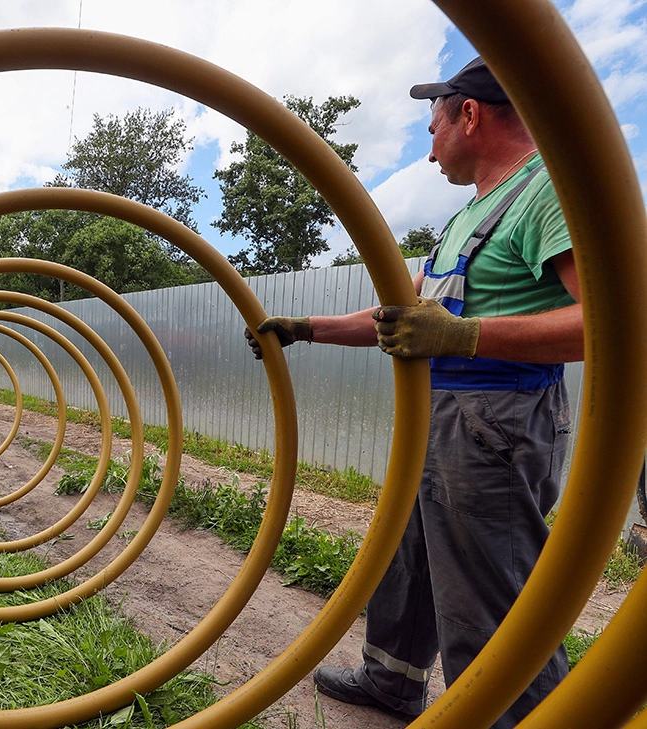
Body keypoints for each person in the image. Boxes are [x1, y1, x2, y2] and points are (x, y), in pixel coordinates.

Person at [247, 57, 581, 727]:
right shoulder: (470, 214)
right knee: (410, 556)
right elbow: (403, 319)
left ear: (470, 114)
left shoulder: (549, 192)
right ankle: (391, 680)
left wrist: (465, 337)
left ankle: (527, 715)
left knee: (487, 591)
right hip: (446, 410)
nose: (428, 148)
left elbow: (610, 324)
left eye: (432, 126)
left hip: (500, 415)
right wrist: (306, 328)